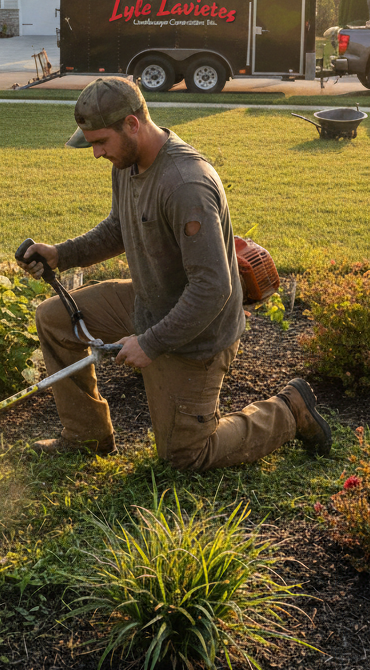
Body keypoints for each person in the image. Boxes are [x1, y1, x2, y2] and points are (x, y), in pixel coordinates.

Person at [18, 76, 331, 470]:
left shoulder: (185, 183)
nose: (96, 153)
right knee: (54, 318)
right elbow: (120, 226)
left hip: (198, 329)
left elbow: (213, 287)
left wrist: (150, 343)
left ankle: (289, 410)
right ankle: (87, 436)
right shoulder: (128, 162)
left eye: (100, 142)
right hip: (150, 299)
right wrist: (61, 254)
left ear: (132, 124)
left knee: (185, 455)